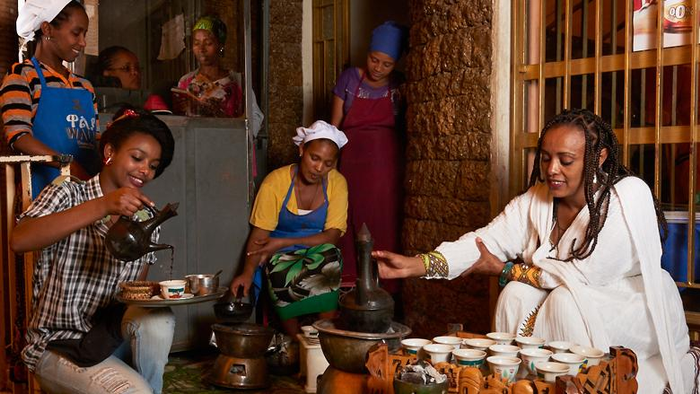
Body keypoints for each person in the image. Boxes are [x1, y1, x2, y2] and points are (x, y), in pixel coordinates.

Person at [372, 109, 697, 393]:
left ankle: (586, 387)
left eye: (565, 160)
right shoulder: (538, 201)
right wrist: (415, 265)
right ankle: (525, 385)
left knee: (564, 301)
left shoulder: (625, 200)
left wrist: (502, 269)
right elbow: (486, 241)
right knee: (515, 294)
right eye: (545, 157)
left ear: (598, 158)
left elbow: (582, 277)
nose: (552, 169)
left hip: (632, 310)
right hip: (572, 304)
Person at [10, 108, 176, 394]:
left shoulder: (145, 222)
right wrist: (103, 205)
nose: (144, 170)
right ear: (109, 152)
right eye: (137, 158)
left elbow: (132, 297)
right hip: (59, 346)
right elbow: (20, 240)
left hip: (109, 339)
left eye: (153, 165)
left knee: (158, 319)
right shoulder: (68, 193)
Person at [230, 120, 348, 338]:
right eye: (315, 158)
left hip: (317, 248)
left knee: (328, 259)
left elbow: (332, 237)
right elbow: (259, 236)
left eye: (328, 163)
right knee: (281, 268)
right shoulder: (275, 182)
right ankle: (296, 341)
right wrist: (247, 272)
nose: (319, 168)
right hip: (278, 254)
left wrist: (283, 242)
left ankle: (324, 337)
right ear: (302, 149)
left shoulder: (337, 183)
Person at [330, 21, 406, 290]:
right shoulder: (350, 78)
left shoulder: (400, 85)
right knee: (349, 218)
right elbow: (334, 125)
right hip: (351, 160)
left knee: (383, 221)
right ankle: (350, 285)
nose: (378, 68)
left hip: (385, 164)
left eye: (387, 64)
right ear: (368, 53)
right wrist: (331, 165)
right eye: (375, 60)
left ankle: (385, 288)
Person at [2, 0, 101, 198]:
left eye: (84, 34)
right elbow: (19, 137)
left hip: (86, 190)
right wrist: (67, 165)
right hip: (42, 193)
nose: (82, 42)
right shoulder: (22, 76)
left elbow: (95, 141)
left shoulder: (85, 87)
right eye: (76, 33)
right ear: (47, 29)